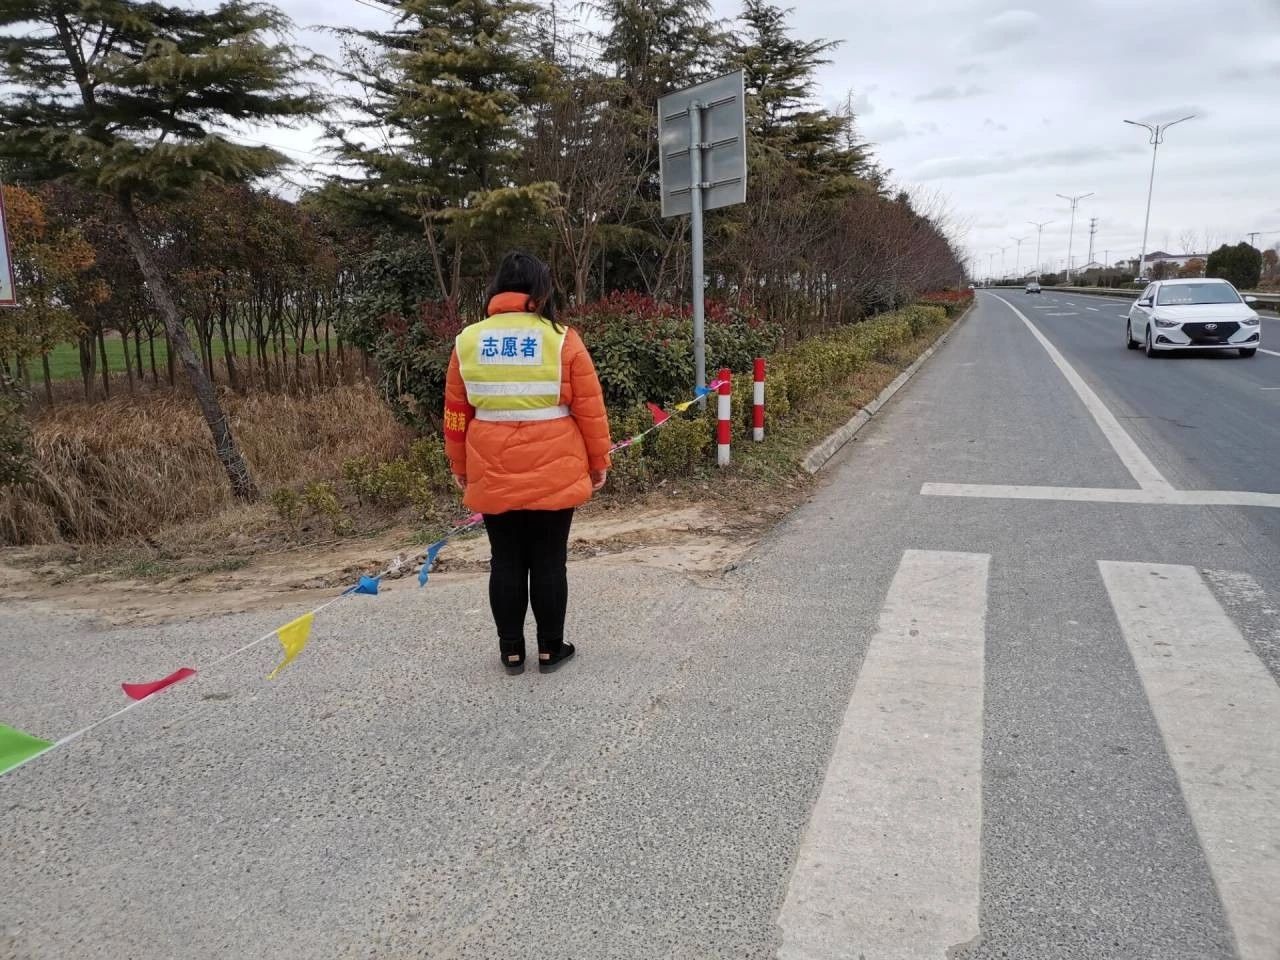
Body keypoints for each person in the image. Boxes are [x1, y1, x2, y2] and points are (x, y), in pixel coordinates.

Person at [443, 252, 612, 674]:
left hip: (490, 466)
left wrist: (460, 466)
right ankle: (551, 649)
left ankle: (511, 651)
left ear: (497, 289)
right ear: (541, 290)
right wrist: (598, 461)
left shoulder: (467, 341)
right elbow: (591, 410)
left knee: (505, 560)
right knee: (549, 560)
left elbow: (455, 414)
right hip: (556, 466)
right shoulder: (562, 339)